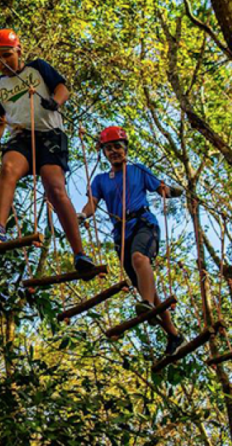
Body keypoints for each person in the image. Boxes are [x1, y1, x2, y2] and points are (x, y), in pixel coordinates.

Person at [0, 30, 96, 275]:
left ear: (18, 51)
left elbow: (62, 88)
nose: (3, 62)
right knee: (7, 169)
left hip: (50, 136)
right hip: (21, 138)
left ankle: (80, 253)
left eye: (7, 55)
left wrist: (55, 103)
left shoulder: (36, 68)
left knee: (55, 189)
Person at [77, 125, 186, 357]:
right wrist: (82, 215)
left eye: (117, 146)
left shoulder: (138, 170)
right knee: (145, 286)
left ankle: (146, 305)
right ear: (104, 153)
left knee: (140, 259)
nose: (114, 151)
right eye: (109, 148)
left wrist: (173, 191)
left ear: (125, 148)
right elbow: (92, 204)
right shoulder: (100, 180)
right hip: (121, 235)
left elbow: (161, 189)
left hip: (144, 223)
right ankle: (174, 335)